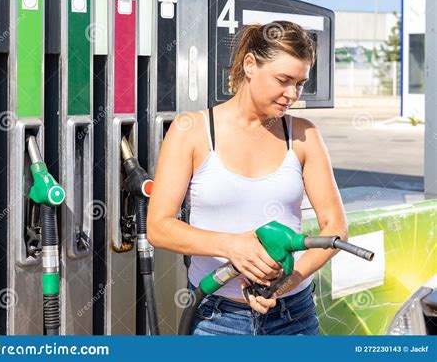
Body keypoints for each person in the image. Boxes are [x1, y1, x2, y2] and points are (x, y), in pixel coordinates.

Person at [147, 21, 347, 335]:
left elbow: (335, 229)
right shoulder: (192, 131)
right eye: (283, 80)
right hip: (216, 319)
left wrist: (282, 285)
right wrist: (233, 247)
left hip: (294, 317)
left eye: (300, 83)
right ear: (250, 65)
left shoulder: (304, 134)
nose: (292, 94)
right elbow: (159, 227)